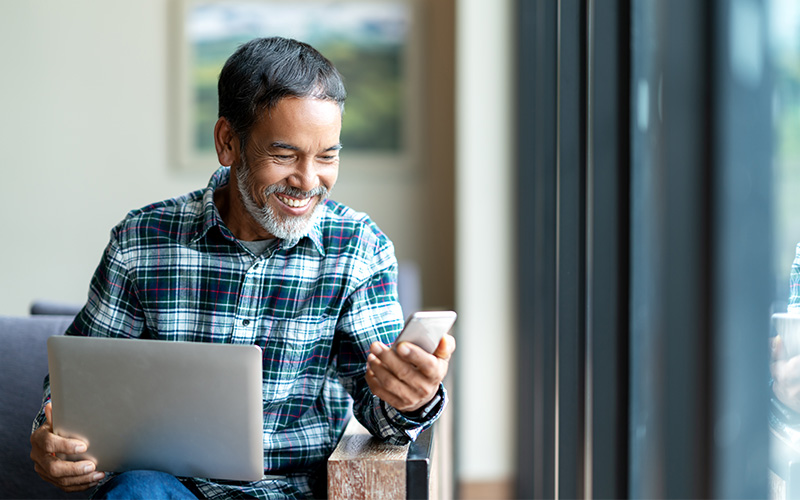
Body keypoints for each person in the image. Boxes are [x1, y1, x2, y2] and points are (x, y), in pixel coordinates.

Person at [29, 37, 455, 499]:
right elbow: (79, 383)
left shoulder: (357, 248)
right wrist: (54, 434)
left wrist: (410, 398)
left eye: (327, 156)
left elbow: (381, 414)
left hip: (297, 490)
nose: (309, 181)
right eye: (284, 154)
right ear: (228, 142)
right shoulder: (142, 241)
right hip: (169, 487)